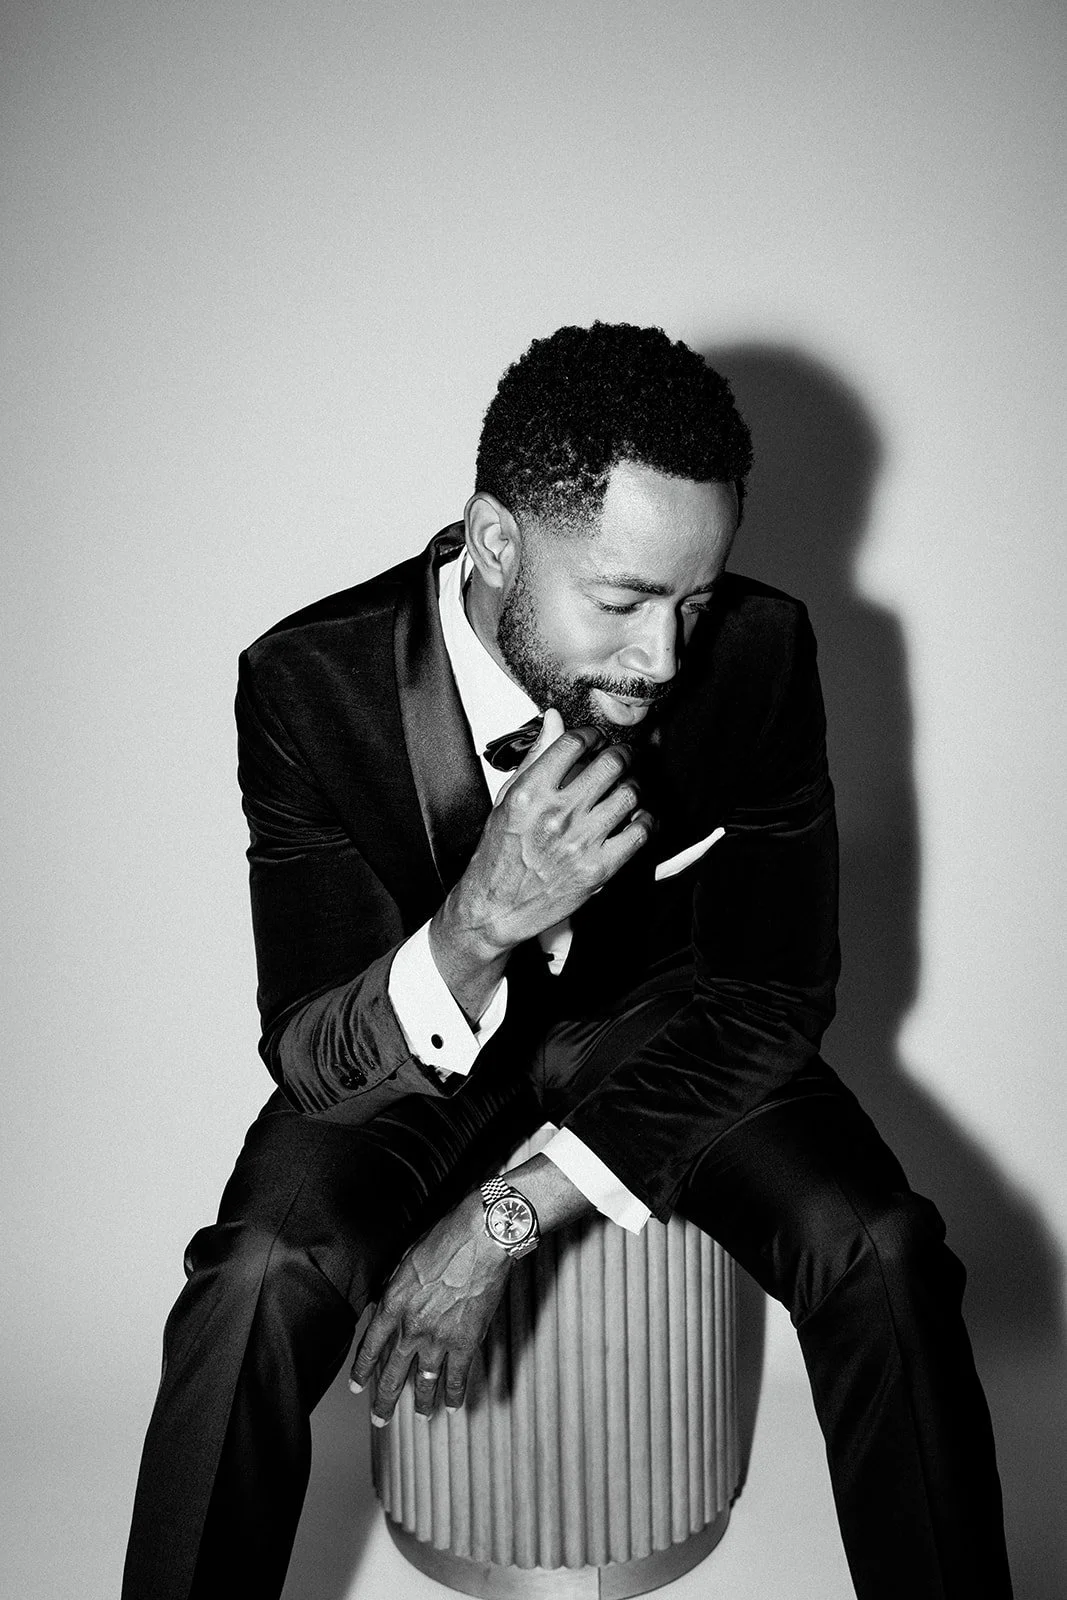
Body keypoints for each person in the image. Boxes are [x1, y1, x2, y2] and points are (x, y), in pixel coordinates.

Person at [122, 322, 1012, 1600]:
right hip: (426, 1052)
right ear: (494, 544)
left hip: (664, 1028)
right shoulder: (309, 686)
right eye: (623, 600)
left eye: (692, 600)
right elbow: (314, 1052)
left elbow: (775, 992)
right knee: (256, 1277)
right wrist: (476, 924)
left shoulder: (758, 658)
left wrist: (502, 1220)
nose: (663, 659)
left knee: (879, 1246)